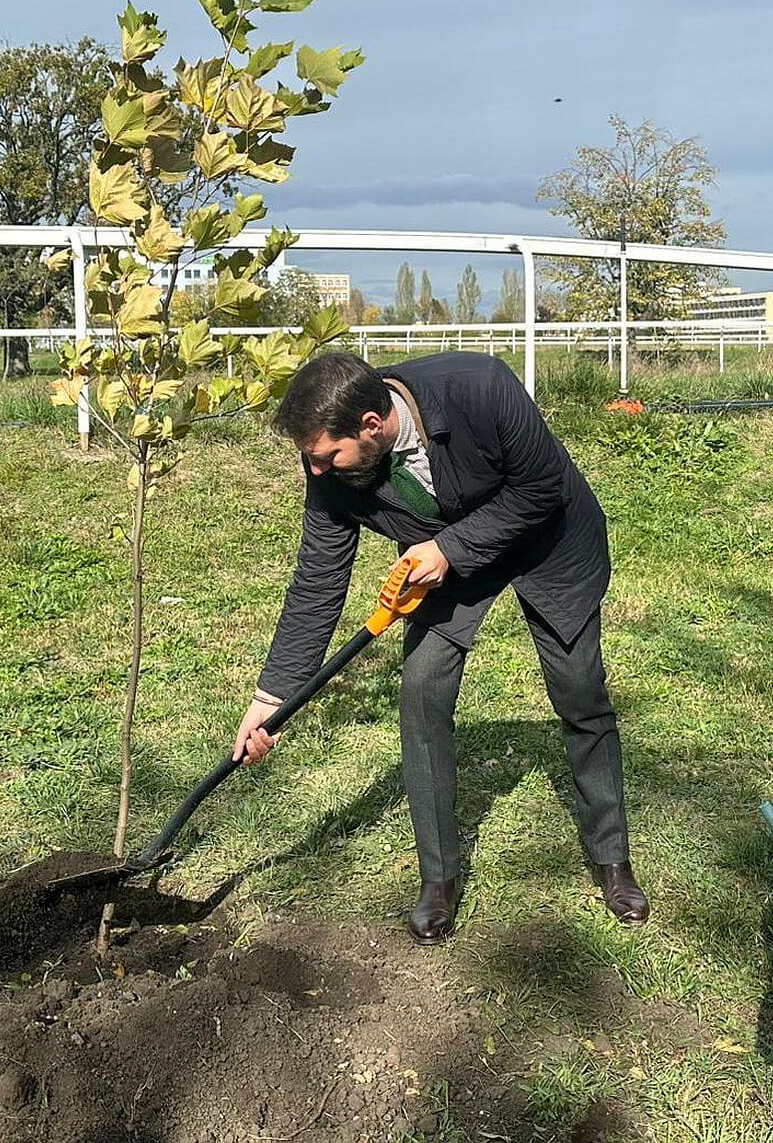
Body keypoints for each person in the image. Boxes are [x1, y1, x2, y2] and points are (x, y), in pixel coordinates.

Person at [232, 350, 646, 944]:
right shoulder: (329, 463)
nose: (317, 471)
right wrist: (272, 696)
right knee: (422, 692)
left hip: (549, 540)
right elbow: (319, 576)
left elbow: (540, 488)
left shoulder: (480, 387)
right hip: (447, 564)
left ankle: (612, 858)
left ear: (372, 426)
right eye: (311, 459)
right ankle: (438, 876)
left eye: (327, 456)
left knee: (580, 691)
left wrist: (448, 549)